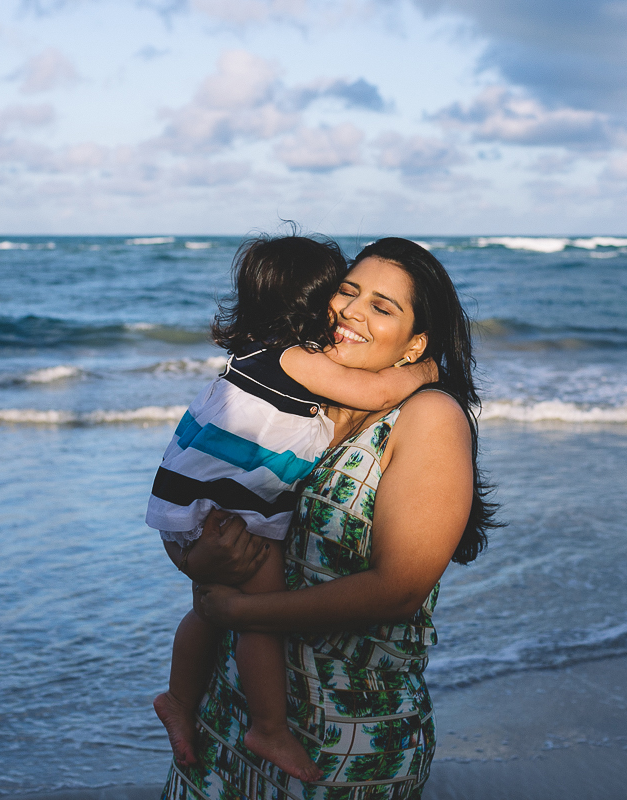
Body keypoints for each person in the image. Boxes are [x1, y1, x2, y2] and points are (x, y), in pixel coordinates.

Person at [160, 237, 499, 799]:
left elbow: (399, 590)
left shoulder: (428, 416)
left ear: (416, 346)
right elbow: (217, 513)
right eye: (347, 292)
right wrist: (201, 560)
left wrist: (245, 610)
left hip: (343, 736)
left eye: (381, 307)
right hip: (228, 720)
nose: (350, 311)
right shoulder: (296, 407)